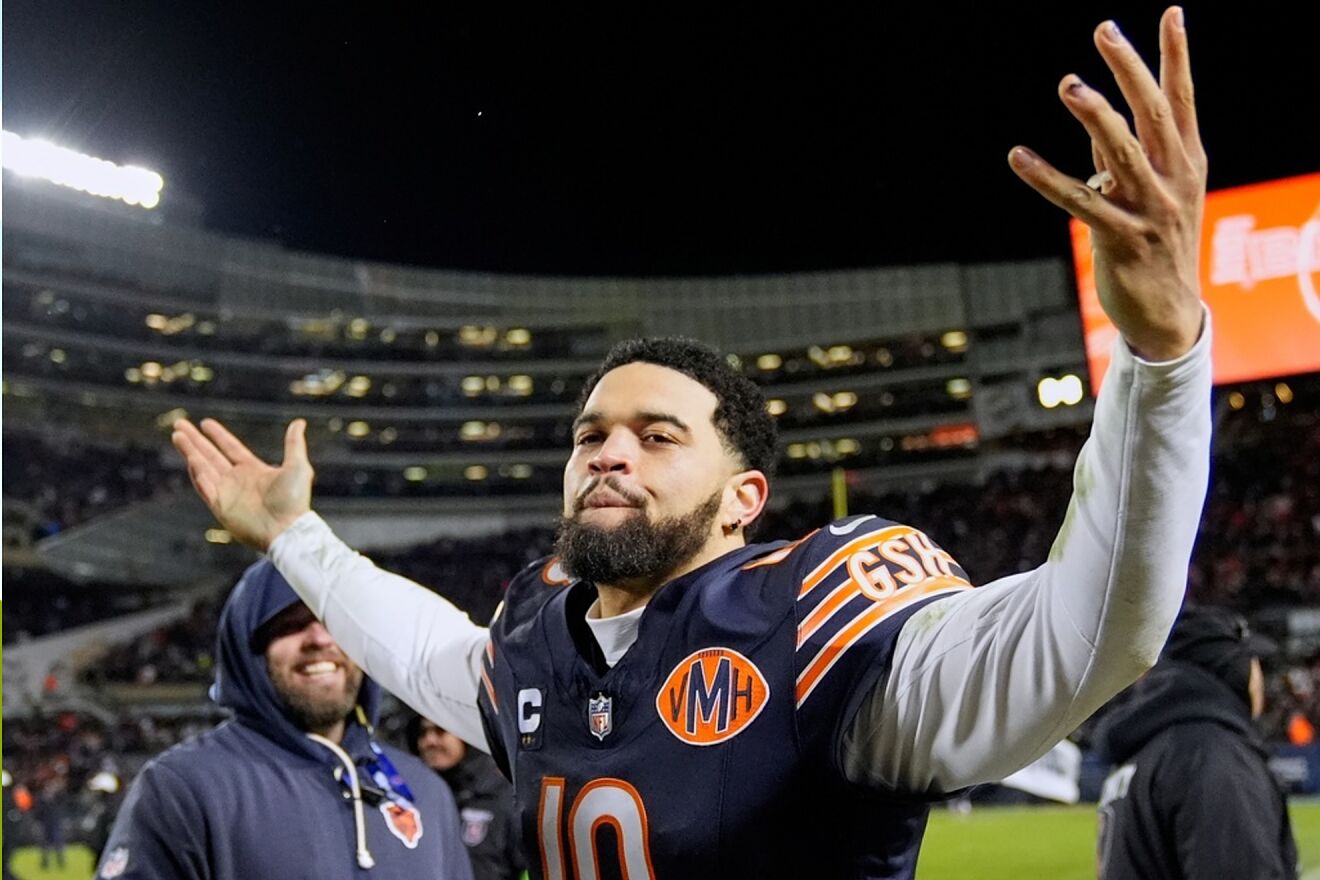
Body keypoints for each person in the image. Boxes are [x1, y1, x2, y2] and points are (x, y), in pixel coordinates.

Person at [172, 8, 1212, 878]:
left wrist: (1160, 358)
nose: (608, 453)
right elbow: (414, 645)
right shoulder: (536, 641)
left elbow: (1092, 632)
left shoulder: (816, 620)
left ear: (743, 497)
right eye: (591, 434)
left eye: (658, 434)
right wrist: (294, 536)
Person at [96, 561, 474, 880]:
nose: (319, 639)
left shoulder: (425, 791)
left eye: (335, 621)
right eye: (289, 624)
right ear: (249, 654)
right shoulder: (184, 787)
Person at [1094, 604, 1299, 879]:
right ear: (1232, 666)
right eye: (1253, 660)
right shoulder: (1213, 756)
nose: (1260, 676)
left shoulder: (1142, 750)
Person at [408, 715, 525, 880]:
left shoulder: (503, 794)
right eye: (422, 733)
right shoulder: (410, 798)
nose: (429, 741)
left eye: (440, 731)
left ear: (464, 735)